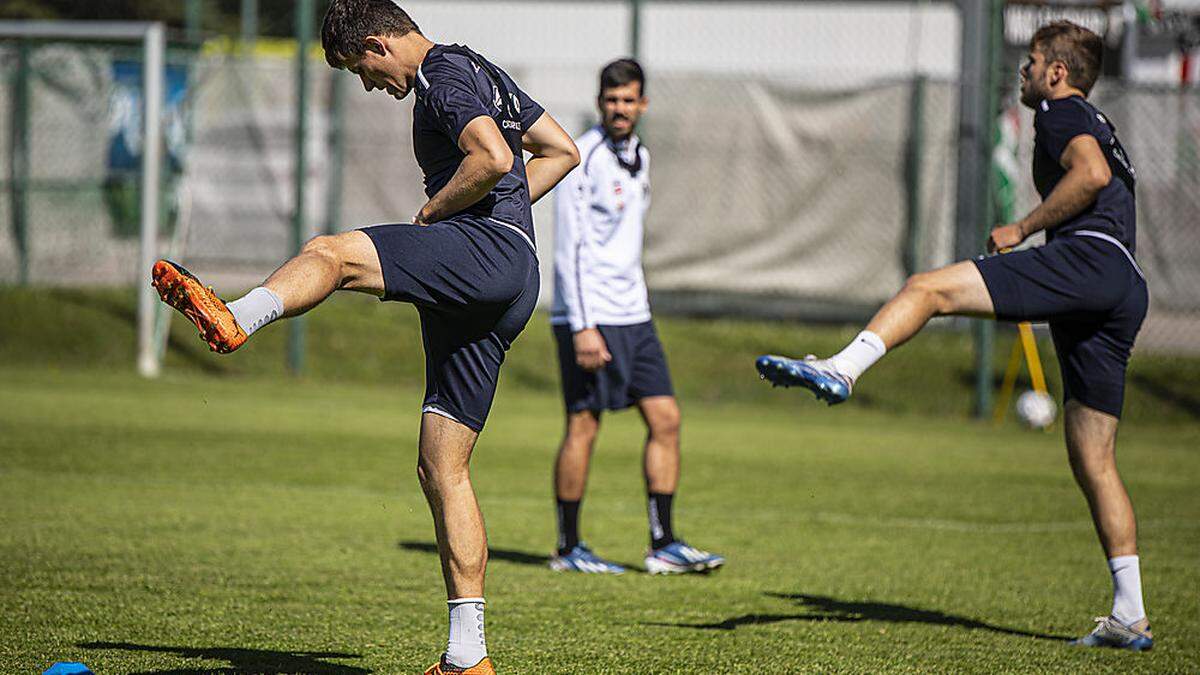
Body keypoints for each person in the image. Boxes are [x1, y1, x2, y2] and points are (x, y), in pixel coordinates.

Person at [150, 1, 580, 672]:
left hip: (483, 252)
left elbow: (494, 158)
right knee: (442, 467)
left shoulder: (442, 74)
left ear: (379, 44)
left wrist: (440, 212)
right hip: (508, 275)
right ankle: (469, 658)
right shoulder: (483, 69)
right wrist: (513, 217)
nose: (367, 85)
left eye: (360, 69)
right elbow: (560, 151)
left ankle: (240, 315)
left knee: (334, 253)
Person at [757, 21, 1152, 652]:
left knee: (926, 288)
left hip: (1088, 262)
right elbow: (1109, 176)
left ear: (1056, 72)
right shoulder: (1096, 117)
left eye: (1029, 62)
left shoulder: (1058, 111)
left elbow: (1093, 175)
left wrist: (1021, 226)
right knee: (1092, 457)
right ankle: (1129, 613)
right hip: (1125, 285)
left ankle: (843, 368)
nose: (1022, 72)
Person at [548, 59, 724, 576]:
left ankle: (663, 543)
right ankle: (568, 547)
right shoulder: (580, 157)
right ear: (600, 101)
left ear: (642, 104)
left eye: (629, 100)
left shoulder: (640, 156)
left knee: (665, 419)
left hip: (635, 314)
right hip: (590, 315)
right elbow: (570, 250)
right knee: (584, 425)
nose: (619, 108)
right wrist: (582, 325)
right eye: (611, 99)